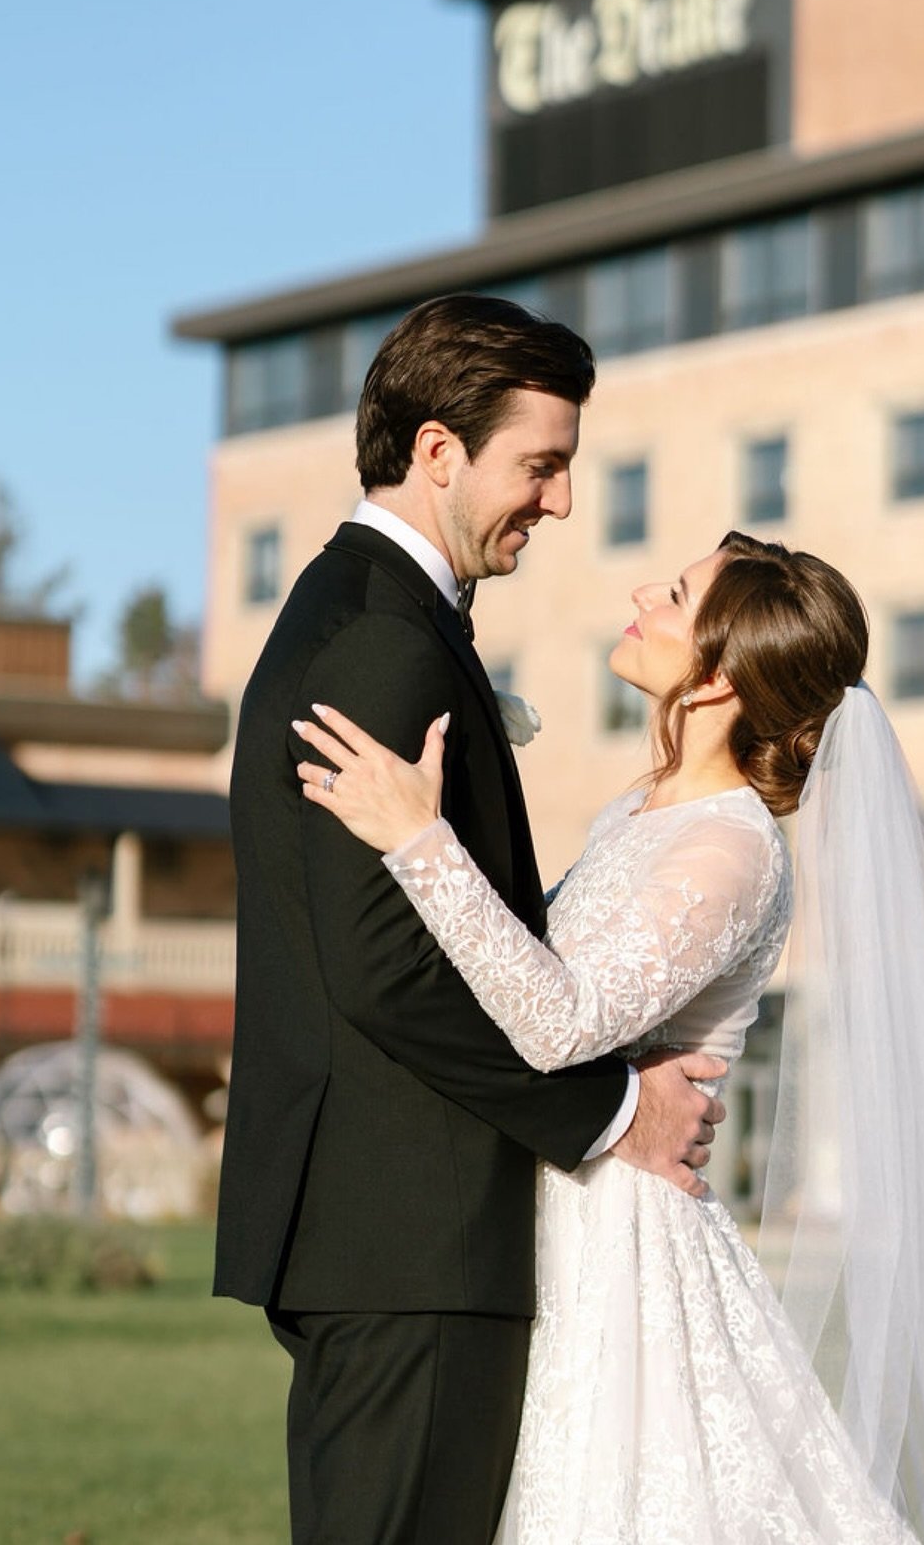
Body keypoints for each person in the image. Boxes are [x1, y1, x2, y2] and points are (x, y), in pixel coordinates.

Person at [292, 534, 924, 1544]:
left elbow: (559, 1022)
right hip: (555, 1212)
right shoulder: (634, 813)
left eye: (677, 595)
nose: (644, 592)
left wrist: (420, 842)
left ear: (721, 674)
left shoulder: (730, 849)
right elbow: (509, 978)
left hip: (624, 1247)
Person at [214, 294, 727, 1545]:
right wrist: (613, 1113)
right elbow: (385, 971)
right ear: (440, 451)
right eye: (541, 466)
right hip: (411, 1237)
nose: (558, 503)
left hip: (394, 1235)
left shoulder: (367, 614)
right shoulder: (384, 642)